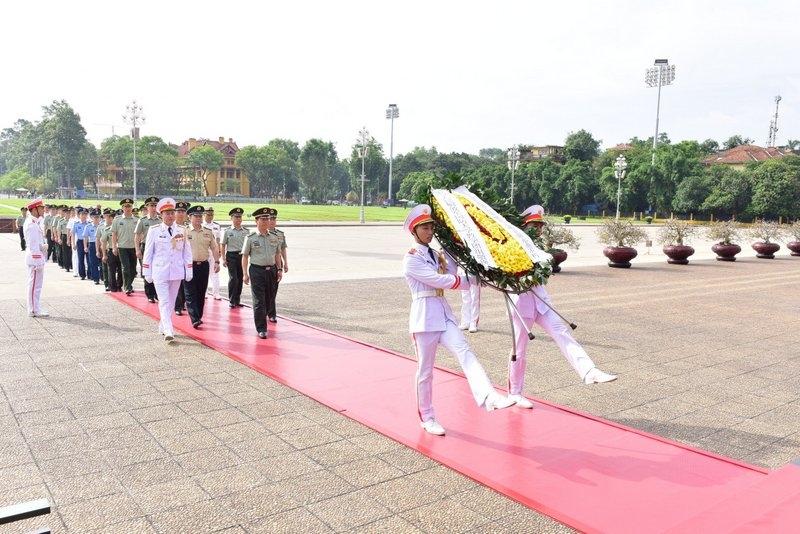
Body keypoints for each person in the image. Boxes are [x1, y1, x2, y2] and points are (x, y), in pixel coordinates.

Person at [402, 204, 514, 436]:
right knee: (425, 372)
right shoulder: (411, 259)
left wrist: (468, 258)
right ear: (414, 231)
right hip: (424, 318)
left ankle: (489, 396)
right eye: (424, 227)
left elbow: (454, 271)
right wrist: (470, 280)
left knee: (465, 351)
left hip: (443, 314)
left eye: (431, 226)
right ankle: (427, 417)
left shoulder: (436, 254)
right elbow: (439, 280)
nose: (430, 231)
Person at [507, 205, 617, 409]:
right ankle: (515, 392)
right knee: (519, 349)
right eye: (534, 225)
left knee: (562, 333)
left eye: (540, 225)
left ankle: (589, 371)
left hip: (541, 302)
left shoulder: (538, 246)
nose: (538, 229)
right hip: (522, 302)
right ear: (525, 226)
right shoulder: (513, 246)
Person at [142, 198, 193, 344]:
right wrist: (147, 271)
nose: (170, 216)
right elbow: (148, 252)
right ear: (161, 215)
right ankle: (169, 330)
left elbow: (187, 252)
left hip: (176, 271)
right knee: (164, 301)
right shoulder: (154, 230)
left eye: (172, 213)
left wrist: (188, 270)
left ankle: (162, 325)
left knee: (170, 302)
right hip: (160, 271)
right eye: (167, 213)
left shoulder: (181, 230)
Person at [242, 207, 282, 339]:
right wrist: (245, 274)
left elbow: (277, 254)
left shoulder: (274, 237)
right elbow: (245, 256)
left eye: (267, 219)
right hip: (257, 271)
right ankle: (261, 328)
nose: (266, 222)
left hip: (271, 271)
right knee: (259, 300)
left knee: (269, 298)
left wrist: (279, 269)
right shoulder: (250, 238)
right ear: (256, 221)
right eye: (263, 219)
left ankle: (265, 317)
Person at [184, 205, 219, 328]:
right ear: (189, 217)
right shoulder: (184, 231)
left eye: (200, 216)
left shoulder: (208, 232)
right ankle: (194, 318)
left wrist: (217, 262)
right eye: (196, 216)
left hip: (203, 265)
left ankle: (198, 316)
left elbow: (214, 247)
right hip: (189, 266)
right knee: (190, 293)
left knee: (201, 292)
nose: (199, 218)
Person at [23, 198, 48, 317]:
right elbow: (33, 246)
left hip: (36, 257)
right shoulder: (32, 225)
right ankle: (33, 309)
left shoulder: (34, 223)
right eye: (41, 208)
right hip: (35, 259)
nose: (43, 209)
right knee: (34, 286)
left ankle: (35, 307)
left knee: (36, 285)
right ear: (34, 210)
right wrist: (38, 262)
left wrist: (42, 247)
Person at [220, 207, 249, 308]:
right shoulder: (227, 231)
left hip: (241, 256)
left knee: (240, 278)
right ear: (231, 218)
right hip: (231, 256)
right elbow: (223, 245)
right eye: (236, 217)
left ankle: (237, 299)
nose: (238, 219)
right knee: (233, 278)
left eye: (240, 217)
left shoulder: (246, 231)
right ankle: (231, 299)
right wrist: (223, 258)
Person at [135, 196, 161, 303]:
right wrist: (137, 250)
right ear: (147, 207)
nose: (154, 208)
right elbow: (137, 236)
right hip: (146, 247)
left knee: (158, 270)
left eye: (155, 205)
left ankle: (157, 293)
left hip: (159, 248)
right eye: (151, 205)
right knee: (147, 270)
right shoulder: (143, 220)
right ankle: (149, 294)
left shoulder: (161, 219)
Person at [111, 199, 138, 295]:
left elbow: (140, 234)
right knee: (125, 267)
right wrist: (114, 247)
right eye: (126, 207)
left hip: (134, 247)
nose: (128, 208)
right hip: (122, 247)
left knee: (133, 270)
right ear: (122, 208)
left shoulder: (136, 220)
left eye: (129, 206)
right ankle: (127, 287)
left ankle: (128, 284)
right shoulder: (117, 220)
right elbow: (114, 234)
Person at [266, 209, 287, 322]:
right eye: (270, 219)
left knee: (274, 289)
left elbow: (282, 249)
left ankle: (271, 313)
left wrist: (286, 263)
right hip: (266, 263)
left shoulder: (280, 234)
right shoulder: (262, 233)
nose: (272, 221)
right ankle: (265, 309)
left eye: (274, 219)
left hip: (277, 264)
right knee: (265, 290)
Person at [173, 201, 190, 315]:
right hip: (174, 260)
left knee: (186, 283)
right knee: (176, 284)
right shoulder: (171, 227)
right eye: (178, 211)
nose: (181, 214)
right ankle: (178, 306)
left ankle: (183, 303)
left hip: (186, 259)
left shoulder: (188, 228)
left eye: (183, 211)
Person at [99, 209, 122, 292]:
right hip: (111, 251)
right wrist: (104, 254)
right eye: (112, 218)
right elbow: (103, 243)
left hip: (121, 250)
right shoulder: (106, 229)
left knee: (121, 269)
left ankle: (119, 285)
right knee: (111, 270)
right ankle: (113, 287)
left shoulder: (121, 228)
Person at [202, 206, 222, 300]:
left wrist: (219, 250)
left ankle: (216, 293)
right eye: (208, 215)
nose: (210, 216)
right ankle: (204, 292)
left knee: (215, 272)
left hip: (213, 251)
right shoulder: (201, 225)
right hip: (204, 250)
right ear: (204, 215)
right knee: (204, 273)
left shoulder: (216, 226)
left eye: (212, 215)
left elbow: (218, 239)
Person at [82, 209, 103, 284]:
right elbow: (85, 237)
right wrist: (85, 246)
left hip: (102, 245)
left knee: (102, 262)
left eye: (98, 217)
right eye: (95, 217)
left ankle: (102, 276)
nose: (97, 219)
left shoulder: (102, 226)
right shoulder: (88, 226)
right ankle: (96, 278)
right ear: (92, 218)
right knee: (93, 262)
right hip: (92, 244)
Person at [458, 266, 481, 332]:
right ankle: (465, 321)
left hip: (474, 270)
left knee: (474, 298)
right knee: (465, 298)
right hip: (462, 269)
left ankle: (473, 322)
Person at [72, 208, 89, 280]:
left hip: (88, 242)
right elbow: (73, 234)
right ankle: (82, 274)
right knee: (80, 259)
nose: (84, 216)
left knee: (89, 259)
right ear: (79, 215)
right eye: (82, 214)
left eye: (85, 214)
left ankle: (90, 274)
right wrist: (73, 243)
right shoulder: (76, 224)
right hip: (80, 242)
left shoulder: (89, 224)